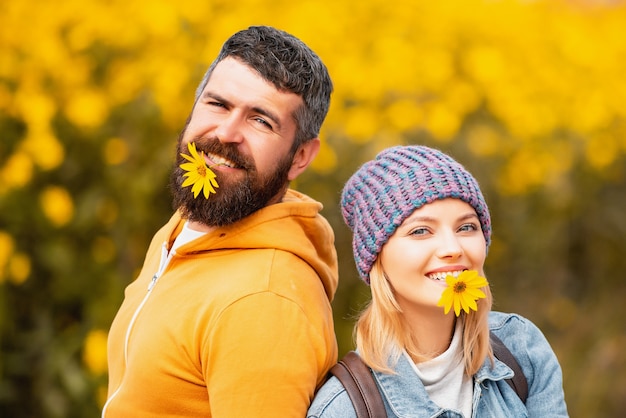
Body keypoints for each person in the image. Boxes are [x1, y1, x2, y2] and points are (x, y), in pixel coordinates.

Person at [102, 26, 338, 417]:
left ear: (300, 157)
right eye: (218, 104)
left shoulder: (263, 303)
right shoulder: (188, 225)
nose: (227, 133)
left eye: (261, 121)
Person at [308, 145, 568, 417]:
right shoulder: (343, 408)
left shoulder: (522, 349)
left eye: (466, 227)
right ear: (377, 258)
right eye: (421, 231)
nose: (452, 248)